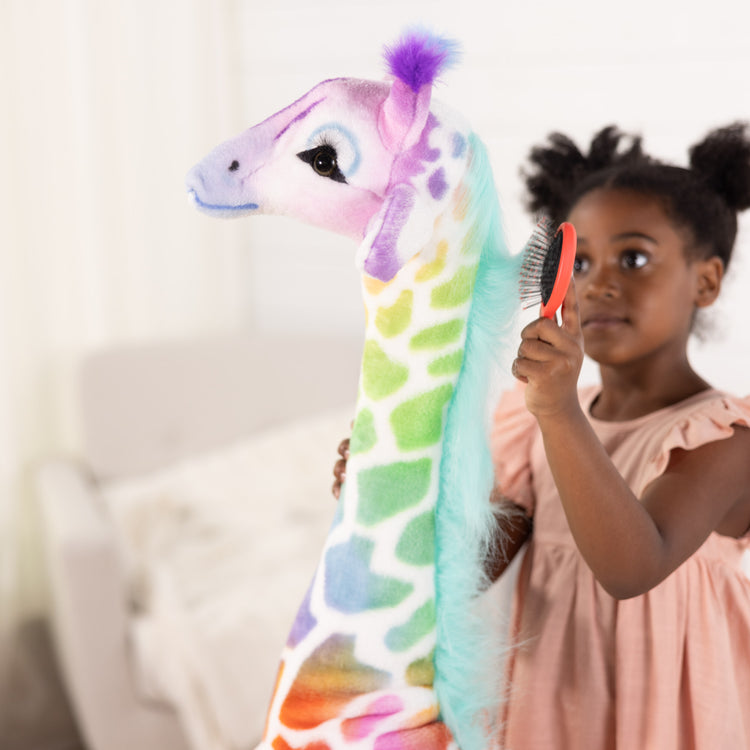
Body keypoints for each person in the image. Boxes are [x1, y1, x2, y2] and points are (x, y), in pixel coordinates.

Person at [333, 122, 750, 749]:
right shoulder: (535, 424)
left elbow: (634, 567)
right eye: (577, 262)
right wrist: (387, 495)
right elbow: (471, 567)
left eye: (634, 258)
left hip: (669, 723)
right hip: (550, 714)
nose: (598, 282)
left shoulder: (723, 437)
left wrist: (558, 412)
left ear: (707, 281)